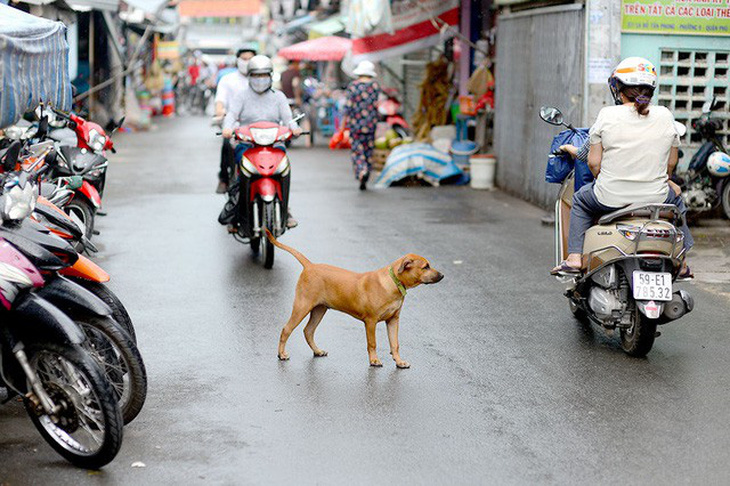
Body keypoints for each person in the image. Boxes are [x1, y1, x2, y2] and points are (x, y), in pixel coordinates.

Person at [552, 57, 693, 279]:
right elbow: (671, 163)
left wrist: (604, 177)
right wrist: (664, 179)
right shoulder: (665, 116)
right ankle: (683, 261)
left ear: (617, 88)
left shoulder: (607, 115)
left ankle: (574, 258)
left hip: (610, 197)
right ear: (651, 89)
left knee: (579, 200)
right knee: (676, 196)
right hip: (655, 197)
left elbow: (593, 162)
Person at [221, 55, 301, 233]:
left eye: (264, 75)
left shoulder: (278, 97)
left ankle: (285, 209)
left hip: (274, 144)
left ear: (271, 76)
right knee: (241, 172)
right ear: (249, 76)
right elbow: (231, 115)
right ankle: (237, 211)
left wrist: (294, 129)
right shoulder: (241, 96)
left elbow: (289, 119)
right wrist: (227, 128)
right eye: (256, 75)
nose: (260, 79)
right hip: (248, 144)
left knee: (284, 169)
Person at [213, 47, 257, 194]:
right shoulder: (228, 80)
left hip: (259, 127)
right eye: (243, 59)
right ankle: (224, 178)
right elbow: (220, 101)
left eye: (250, 59)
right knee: (227, 144)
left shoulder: (260, 80)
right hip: (234, 126)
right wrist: (221, 112)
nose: (247, 62)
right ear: (237, 60)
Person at [343, 60, 381, 190]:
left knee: (357, 151)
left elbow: (348, 108)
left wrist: (343, 126)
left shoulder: (353, 86)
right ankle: (366, 172)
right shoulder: (375, 86)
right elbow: (376, 105)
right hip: (371, 124)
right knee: (368, 151)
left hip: (356, 125)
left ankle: (361, 170)